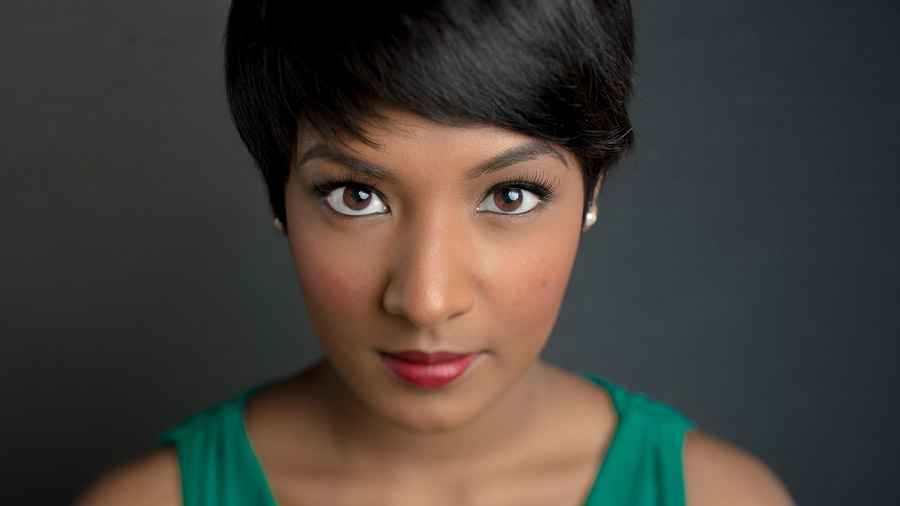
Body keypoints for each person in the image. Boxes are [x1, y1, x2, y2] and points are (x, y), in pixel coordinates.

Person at [77, 0, 794, 504]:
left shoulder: (721, 499)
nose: (425, 300)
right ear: (277, 196)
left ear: (592, 192)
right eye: (355, 196)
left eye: (510, 196)